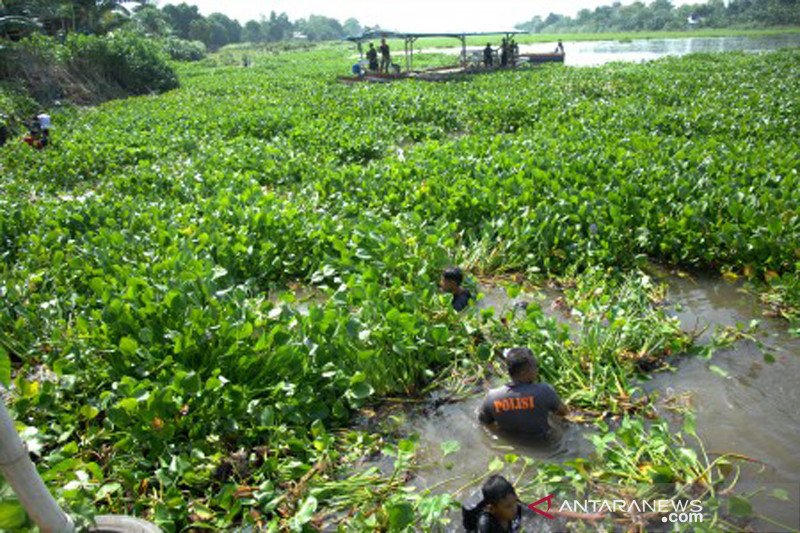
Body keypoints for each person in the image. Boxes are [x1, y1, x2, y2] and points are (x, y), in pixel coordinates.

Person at [478, 347, 568, 440]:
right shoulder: (544, 391)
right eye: (535, 366)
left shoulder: (492, 397)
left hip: (511, 444)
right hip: (543, 444)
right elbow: (564, 412)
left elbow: (484, 423)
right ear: (524, 372)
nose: (537, 370)